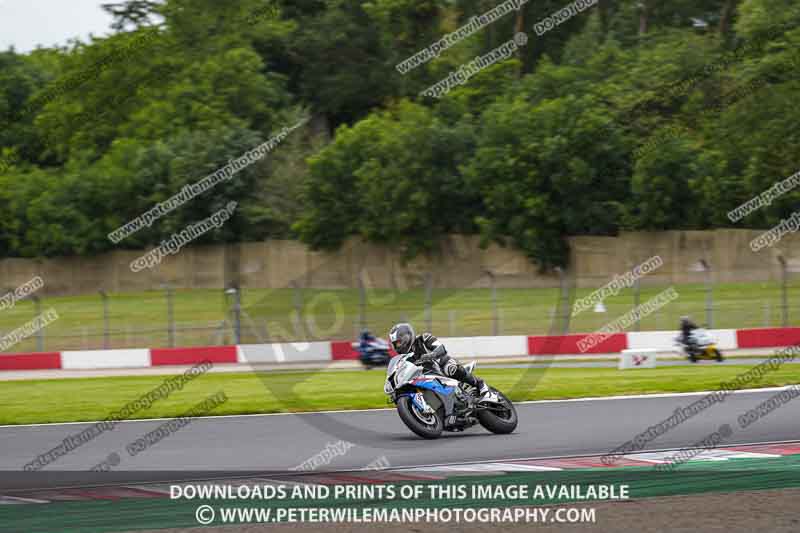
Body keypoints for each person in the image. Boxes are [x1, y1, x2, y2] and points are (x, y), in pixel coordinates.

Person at [388, 322, 495, 402]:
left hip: (440, 366)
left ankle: (480, 385)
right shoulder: (404, 358)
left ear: (407, 336)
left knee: (450, 368)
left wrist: (432, 355)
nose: (399, 346)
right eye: (396, 344)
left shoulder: (423, 339)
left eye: (399, 342)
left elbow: (441, 348)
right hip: (425, 377)